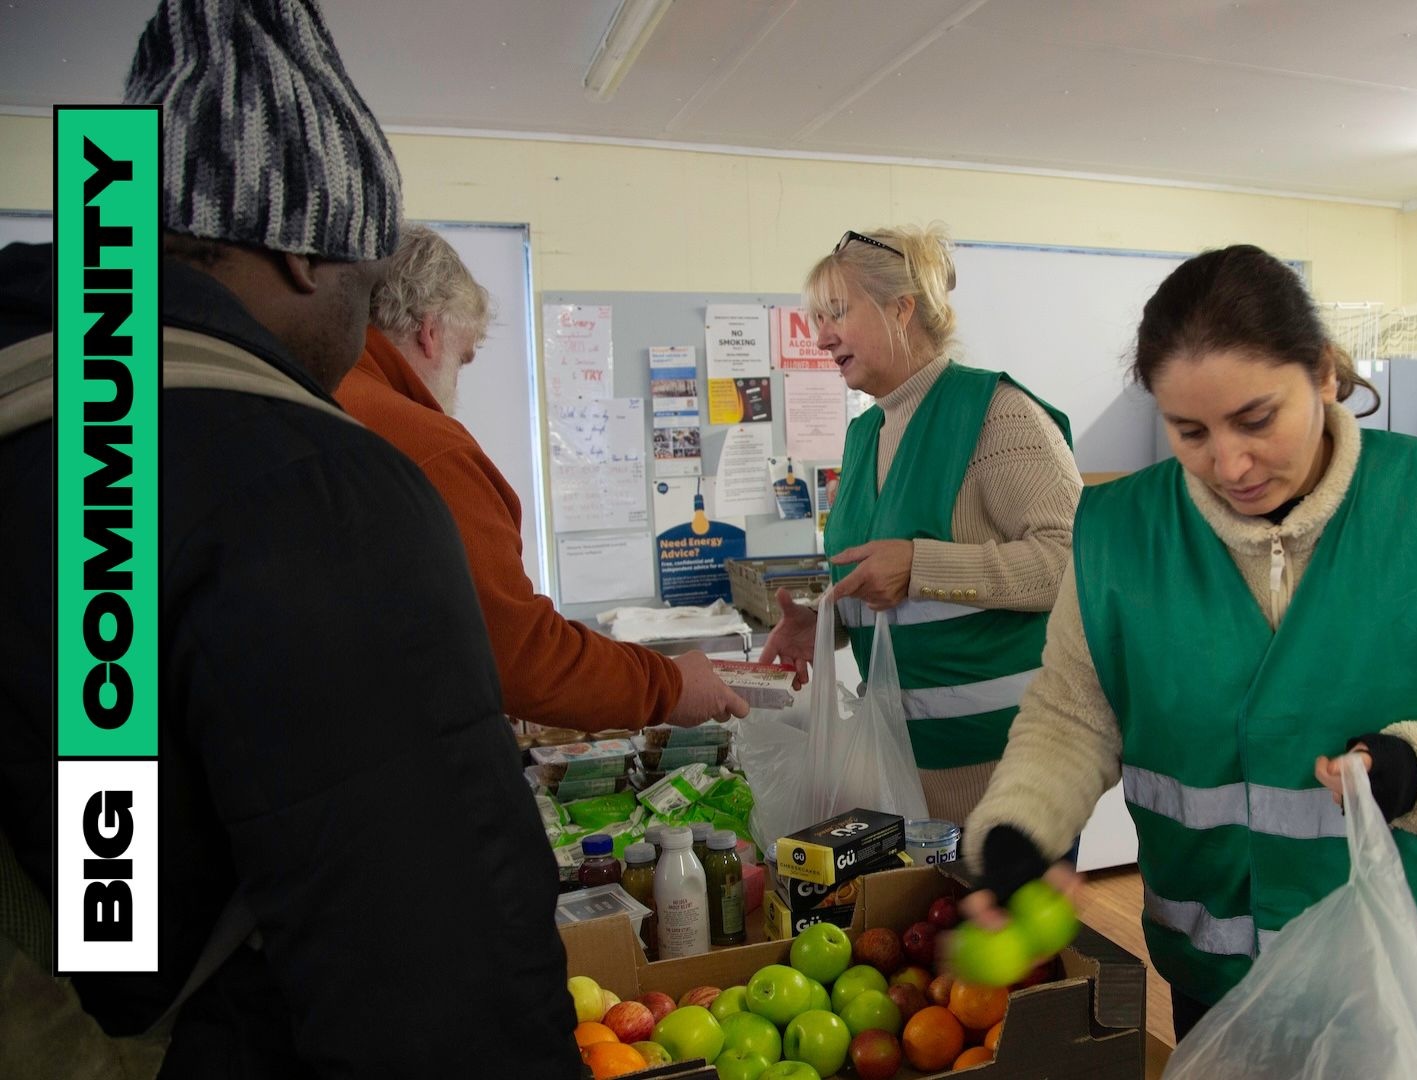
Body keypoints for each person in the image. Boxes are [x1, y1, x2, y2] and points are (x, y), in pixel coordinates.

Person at [0, 1, 576, 1075]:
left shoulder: (60, 420)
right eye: (366, 278)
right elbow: (432, 965)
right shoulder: (310, 485)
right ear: (309, 255)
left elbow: (107, 872)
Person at [962, 244, 1417, 1039]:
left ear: (1324, 374)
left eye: (1257, 419)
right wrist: (1022, 825)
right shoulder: (1120, 534)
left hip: (1403, 971)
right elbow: (1074, 715)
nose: (1229, 463)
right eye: (1188, 431)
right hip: (1215, 971)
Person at [335, 224, 749, 730]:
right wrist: (670, 684)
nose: (453, 391)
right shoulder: (424, 446)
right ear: (430, 330)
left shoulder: (319, 397)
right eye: (463, 360)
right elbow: (525, 657)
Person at [759, 225, 1083, 824]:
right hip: (902, 766)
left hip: (1008, 771)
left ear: (900, 309)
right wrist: (827, 624)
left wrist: (920, 565)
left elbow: (1073, 561)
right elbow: (886, 581)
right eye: (816, 318)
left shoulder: (998, 414)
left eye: (836, 313)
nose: (821, 337)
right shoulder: (866, 434)